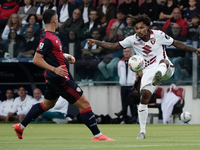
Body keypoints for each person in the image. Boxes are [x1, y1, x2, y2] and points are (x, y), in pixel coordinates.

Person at [88, 14, 200, 139]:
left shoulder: (158, 35)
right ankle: (142, 131)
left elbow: (177, 43)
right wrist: (96, 42)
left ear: (147, 26)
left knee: (164, 62)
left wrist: (194, 50)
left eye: (141, 27)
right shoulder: (132, 39)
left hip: (166, 69)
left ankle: (159, 74)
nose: (139, 31)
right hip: (148, 72)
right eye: (136, 28)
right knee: (144, 97)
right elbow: (113, 46)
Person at [12, 9, 114, 141]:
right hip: (59, 78)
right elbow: (36, 59)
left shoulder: (53, 37)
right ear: (54, 19)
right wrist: (54, 69)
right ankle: (98, 135)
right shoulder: (48, 38)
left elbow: (51, 54)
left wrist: (65, 56)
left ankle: (21, 126)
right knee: (84, 103)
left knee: (46, 105)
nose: (59, 20)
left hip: (54, 78)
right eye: (57, 18)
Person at [115, 48, 136, 119]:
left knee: (132, 102)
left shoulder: (134, 62)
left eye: (127, 51)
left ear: (130, 52)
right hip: (123, 85)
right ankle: (124, 118)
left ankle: (134, 118)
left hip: (132, 85)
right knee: (123, 102)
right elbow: (119, 73)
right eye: (125, 51)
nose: (126, 53)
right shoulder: (120, 62)